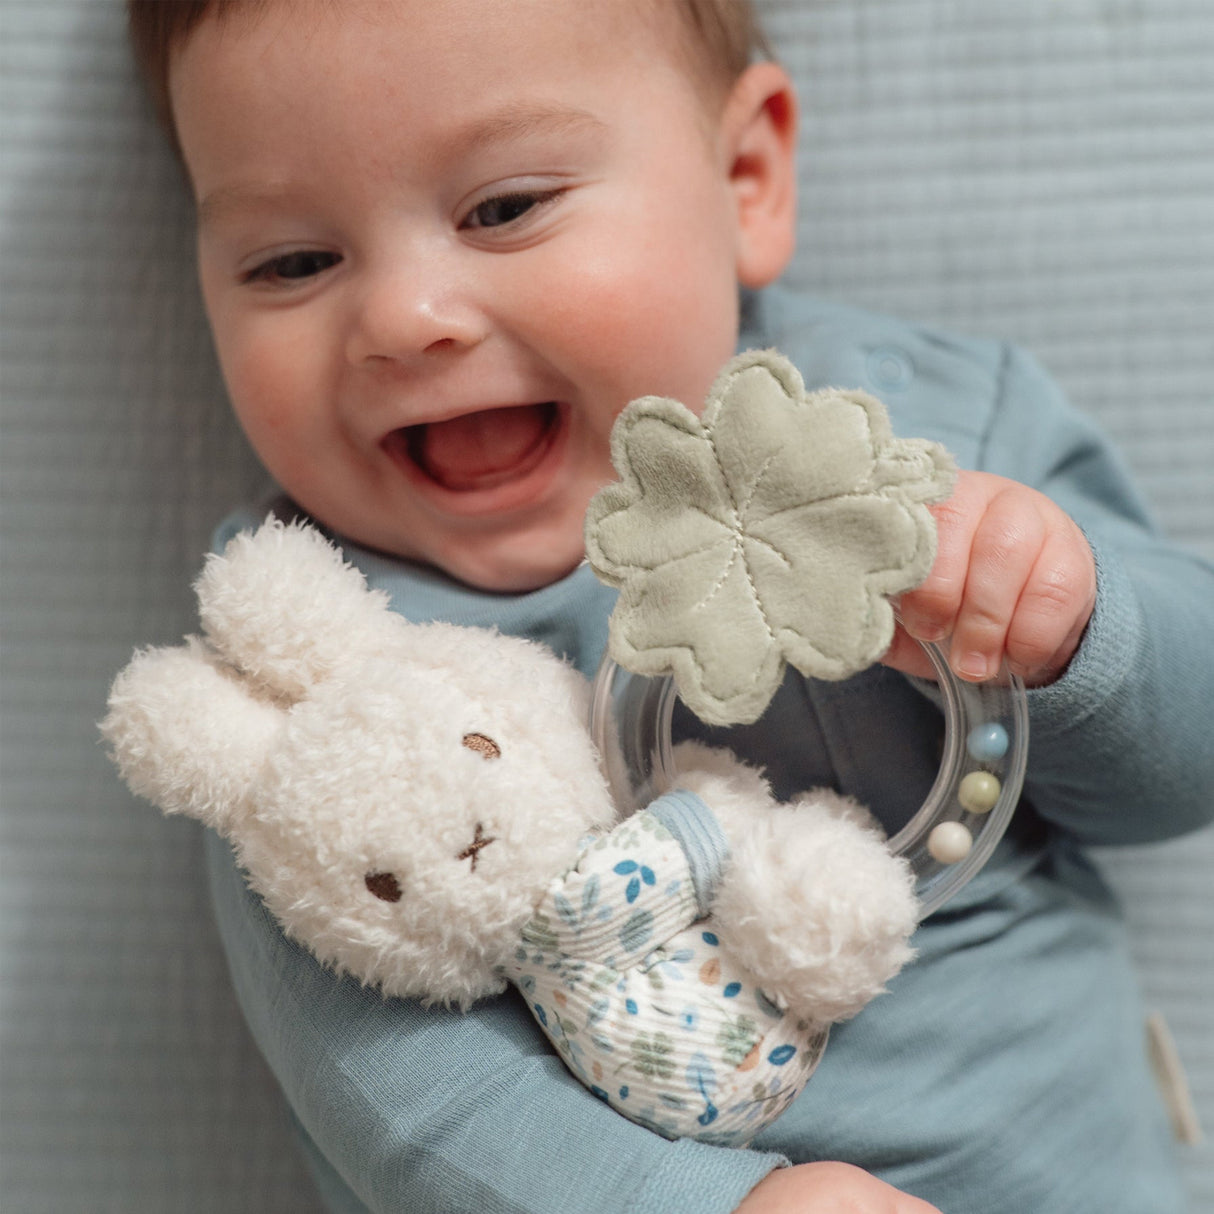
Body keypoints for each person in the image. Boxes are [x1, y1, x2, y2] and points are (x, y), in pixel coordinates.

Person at [124, 1, 1213, 1210]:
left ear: (743, 179)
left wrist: (1072, 628)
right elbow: (400, 1098)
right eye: (292, 261)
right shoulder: (300, 666)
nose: (402, 318)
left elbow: (1184, 768)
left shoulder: (927, 436)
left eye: (504, 207)